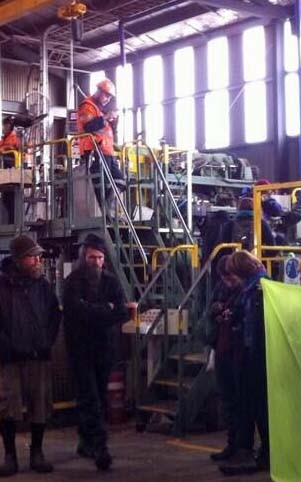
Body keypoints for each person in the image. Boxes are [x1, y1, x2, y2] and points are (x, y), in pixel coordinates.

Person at [62, 234, 132, 471]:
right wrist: (106, 311)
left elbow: (122, 312)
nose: (97, 262)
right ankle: (100, 447)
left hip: (104, 349)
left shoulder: (111, 282)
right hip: (80, 350)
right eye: (92, 257)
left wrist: (96, 311)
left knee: (98, 396)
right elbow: (76, 312)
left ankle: (86, 441)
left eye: (100, 258)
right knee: (90, 397)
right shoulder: (72, 282)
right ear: (84, 257)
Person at [0, 235, 61, 476]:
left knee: (40, 405)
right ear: (18, 259)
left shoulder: (43, 286)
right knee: (8, 407)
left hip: (38, 355)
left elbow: (54, 316)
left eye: (38, 256)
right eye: (32, 256)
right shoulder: (2, 286)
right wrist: (6, 348)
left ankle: (37, 453)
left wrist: (46, 342)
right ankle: (10, 456)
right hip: (10, 359)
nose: (38, 260)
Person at [219, 251, 269, 476]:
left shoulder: (257, 290)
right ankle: (255, 452)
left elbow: (255, 326)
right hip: (251, 354)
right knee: (254, 407)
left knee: (260, 408)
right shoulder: (252, 288)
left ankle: (265, 454)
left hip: (257, 355)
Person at [205, 256, 242, 464]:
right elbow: (210, 311)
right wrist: (217, 311)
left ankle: (243, 447)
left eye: (231, 277)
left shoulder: (248, 289)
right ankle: (232, 445)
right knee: (227, 400)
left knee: (241, 402)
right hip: (222, 348)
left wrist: (230, 315)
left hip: (239, 353)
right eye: (225, 278)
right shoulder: (221, 287)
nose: (228, 282)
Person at [77, 79, 124, 214]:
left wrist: (113, 125)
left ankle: (107, 208)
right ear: (98, 91)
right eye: (106, 95)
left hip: (107, 152)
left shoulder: (99, 111)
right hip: (94, 151)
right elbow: (88, 126)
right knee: (100, 183)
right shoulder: (87, 106)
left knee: (120, 180)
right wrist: (106, 118)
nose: (108, 99)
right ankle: (104, 212)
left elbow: (105, 132)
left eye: (110, 97)